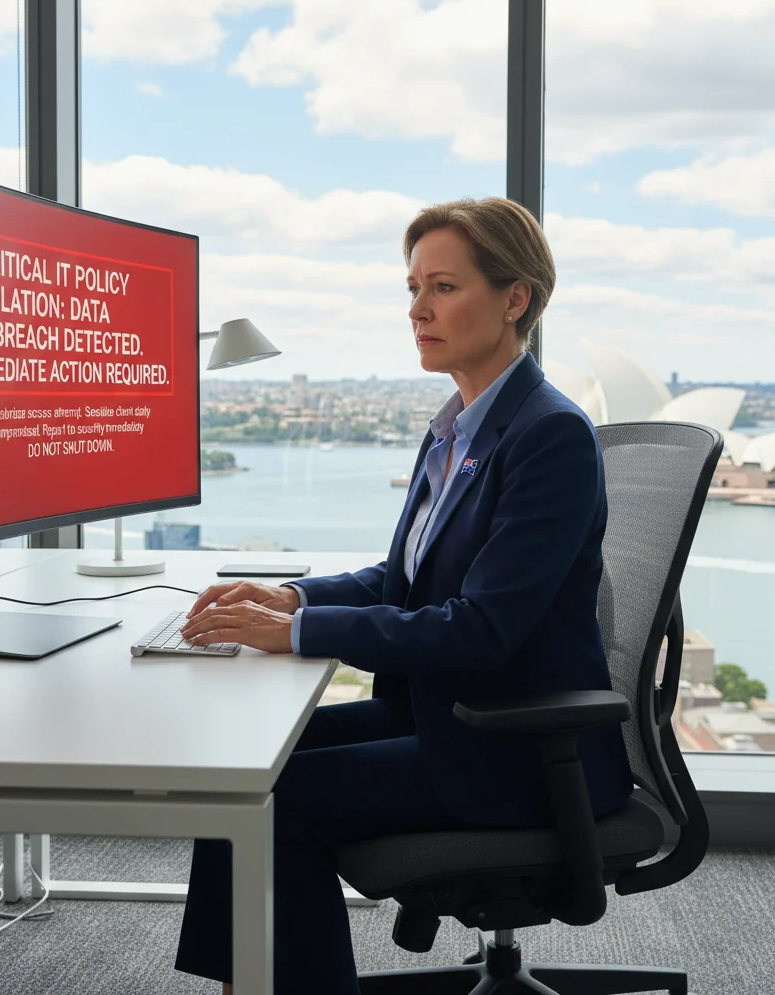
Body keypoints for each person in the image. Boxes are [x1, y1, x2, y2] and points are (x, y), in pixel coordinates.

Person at [174, 197, 634, 995]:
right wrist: (290, 598)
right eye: (413, 288)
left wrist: (305, 634)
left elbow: (481, 628)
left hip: (522, 747)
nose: (419, 309)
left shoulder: (548, 434)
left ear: (514, 298)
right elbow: (404, 581)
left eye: (445, 287)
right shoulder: (455, 428)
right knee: (240, 772)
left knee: (277, 809)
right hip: (449, 715)